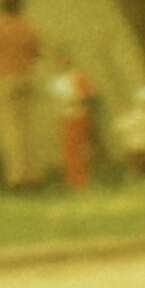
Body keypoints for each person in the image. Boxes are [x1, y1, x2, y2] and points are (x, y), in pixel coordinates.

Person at [0, 0, 46, 189]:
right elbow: (37, 52)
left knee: (12, 130)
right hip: (26, 76)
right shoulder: (28, 25)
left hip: (5, 78)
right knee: (29, 127)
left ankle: (18, 177)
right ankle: (35, 174)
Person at [49, 52, 102, 191]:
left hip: (78, 116)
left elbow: (90, 94)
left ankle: (82, 182)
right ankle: (74, 182)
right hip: (65, 118)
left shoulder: (77, 76)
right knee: (68, 151)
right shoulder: (56, 82)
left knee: (79, 149)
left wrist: (77, 100)